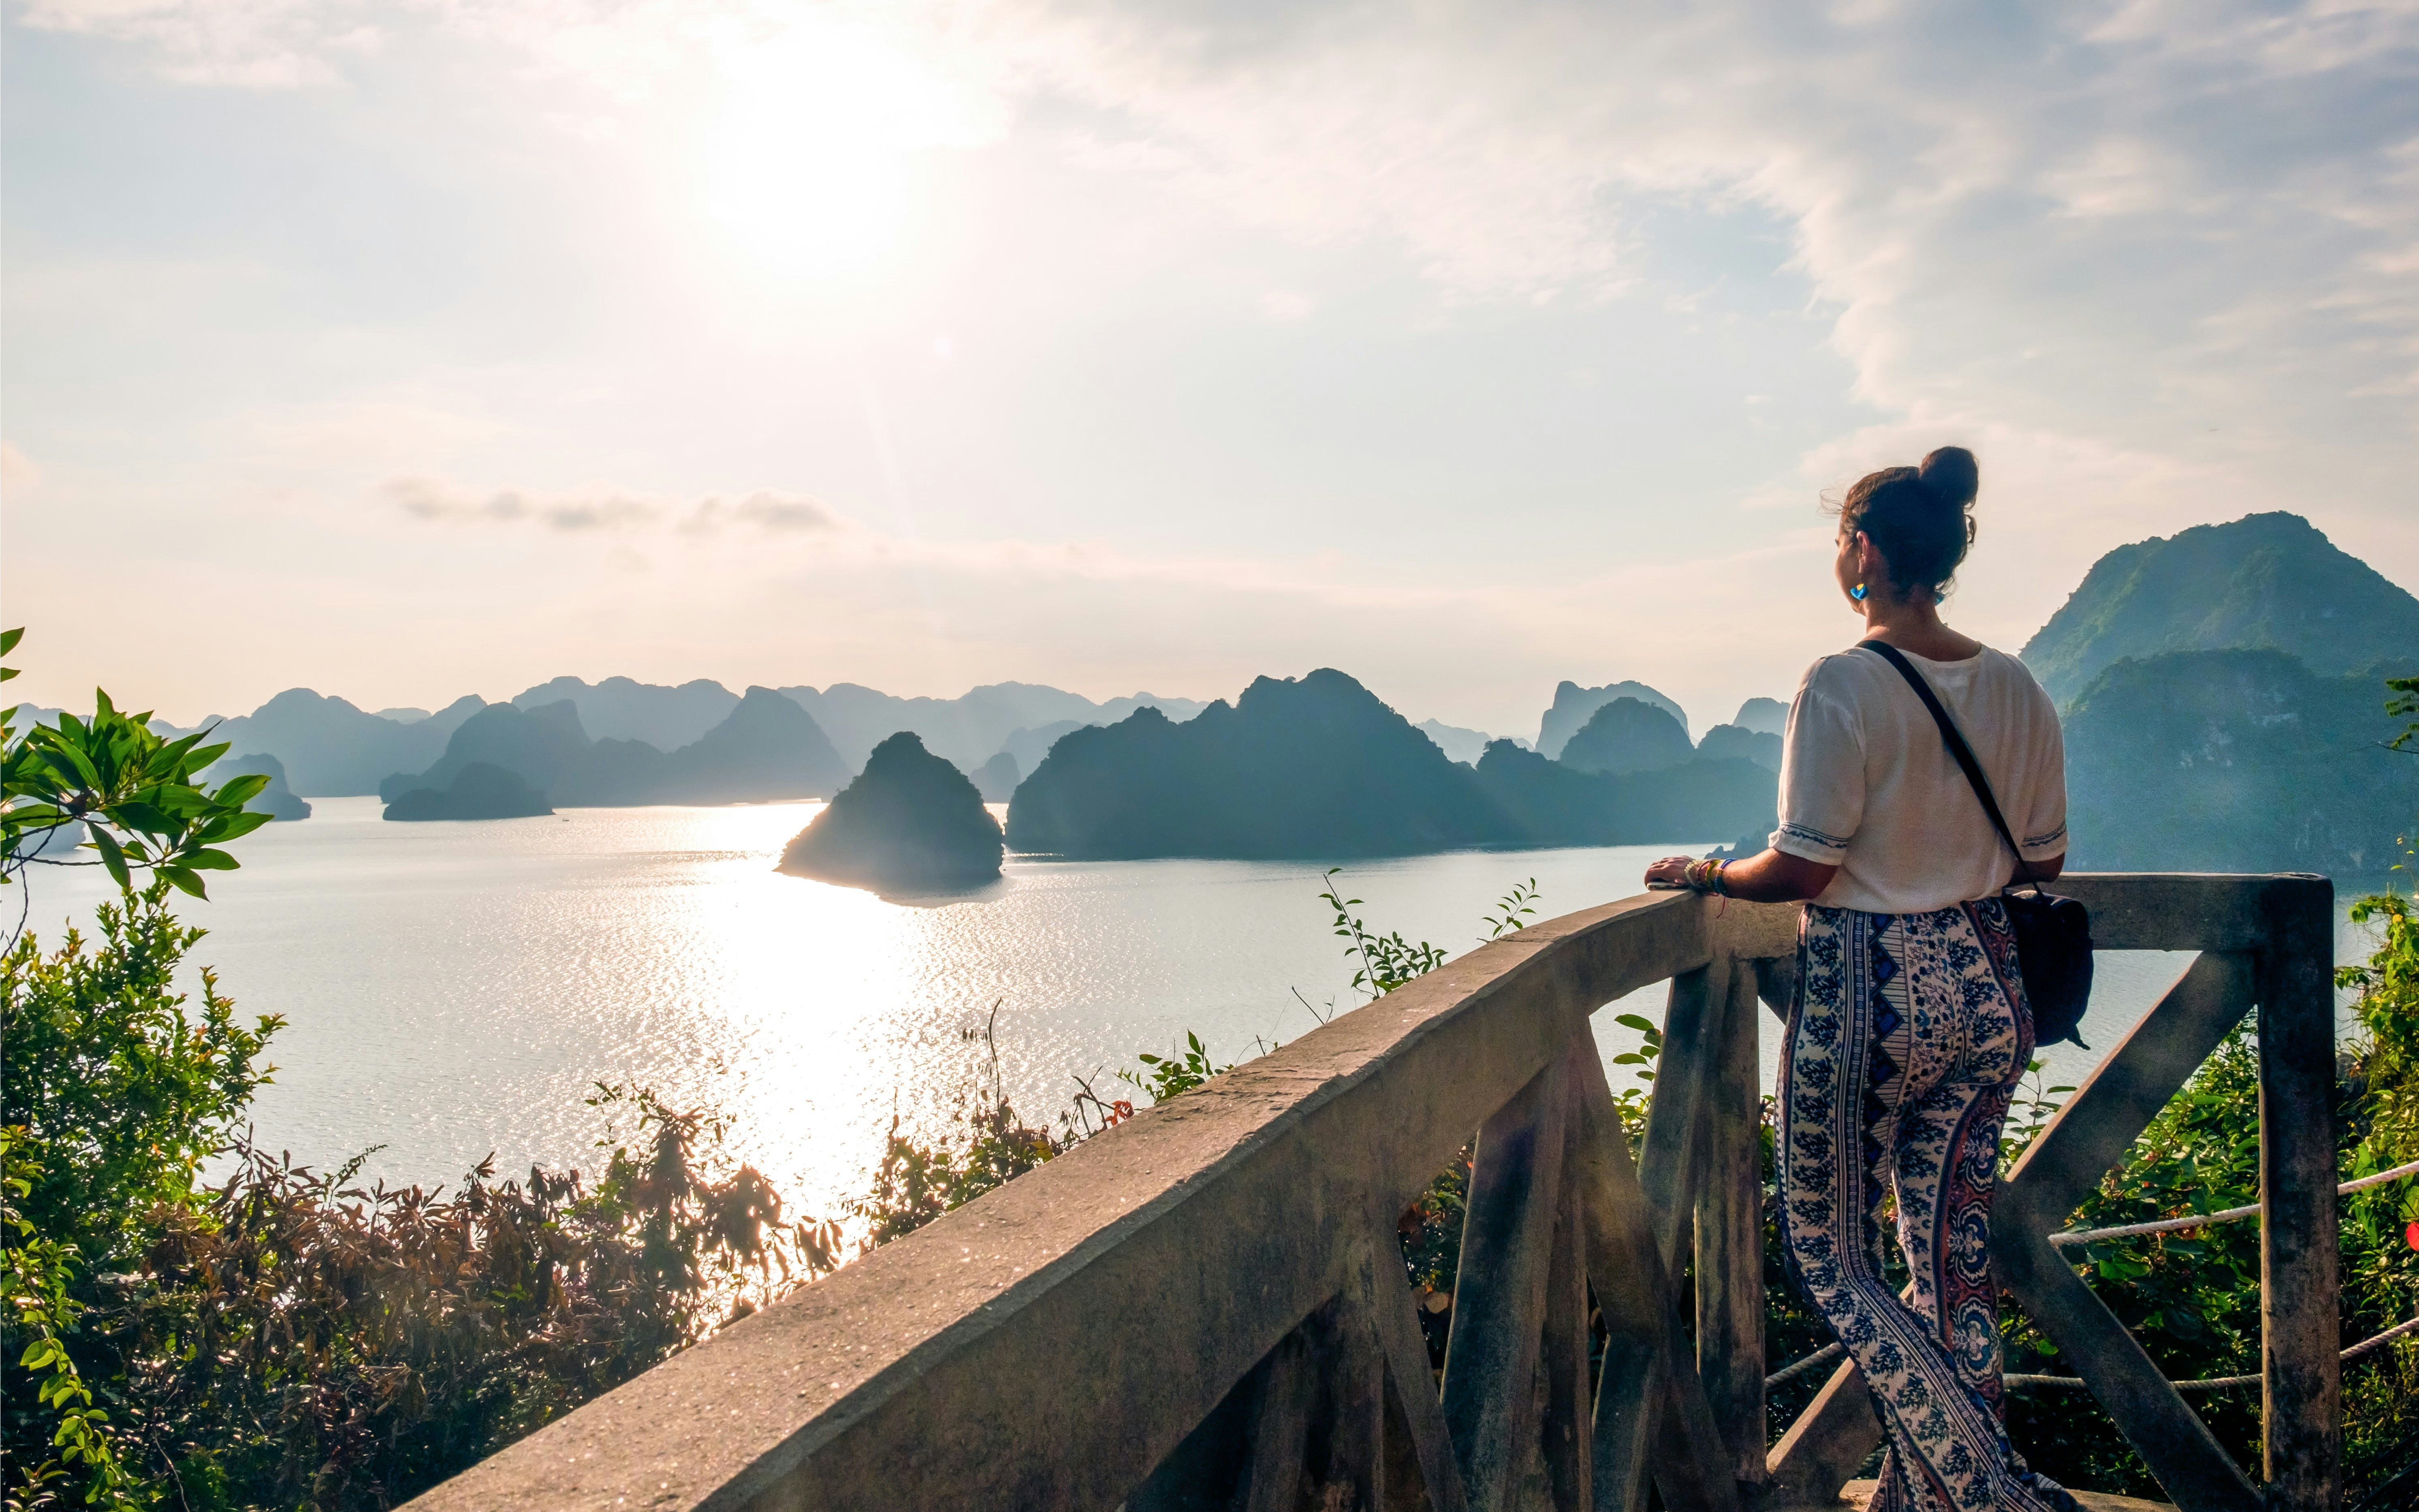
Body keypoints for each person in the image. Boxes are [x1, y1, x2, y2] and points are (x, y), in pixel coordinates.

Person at [1644, 446, 2078, 1512]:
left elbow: (1800, 865)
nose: (1839, 553)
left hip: (1867, 990)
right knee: (1950, 1258)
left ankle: (1989, 1493)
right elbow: (2048, 857)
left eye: (1842, 536)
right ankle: (1918, 1493)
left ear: (1868, 551)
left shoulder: (1840, 681)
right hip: (1987, 989)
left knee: (1828, 1252)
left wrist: (1703, 870)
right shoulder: (2016, 684)